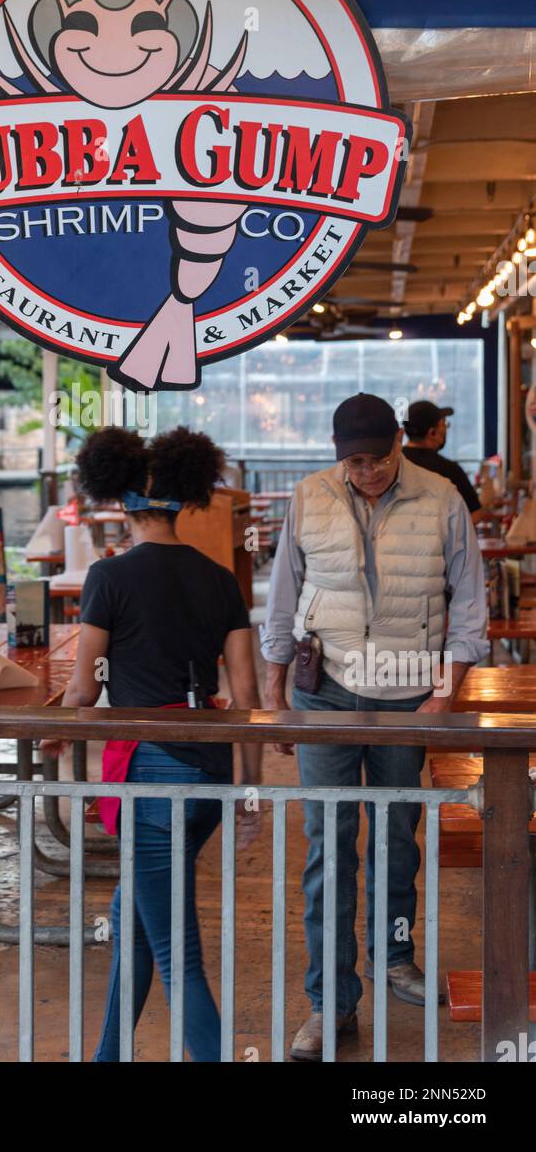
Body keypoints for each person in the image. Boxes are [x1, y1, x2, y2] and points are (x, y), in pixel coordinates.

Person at [260, 393, 488, 1062]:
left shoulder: (442, 497)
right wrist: (274, 694)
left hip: (407, 693)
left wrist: (442, 698)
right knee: (327, 849)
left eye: (377, 458)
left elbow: (468, 611)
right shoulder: (309, 496)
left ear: (398, 442)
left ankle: (395, 956)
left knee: (396, 842)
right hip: (324, 693)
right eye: (353, 463)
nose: (367, 473)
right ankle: (330, 1001)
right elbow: (282, 596)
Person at [42, 426, 261, 1063]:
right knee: (135, 920)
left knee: (177, 954)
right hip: (210, 771)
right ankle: (108, 1055)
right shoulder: (221, 578)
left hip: (151, 777)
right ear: (182, 500)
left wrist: (56, 728)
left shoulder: (108, 579)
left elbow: (84, 687)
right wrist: (248, 790)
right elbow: (245, 693)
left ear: (125, 503)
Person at [403, 400, 488, 521]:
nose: (446, 430)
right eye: (444, 424)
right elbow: (475, 514)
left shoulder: (393, 464)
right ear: (432, 432)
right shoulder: (450, 470)